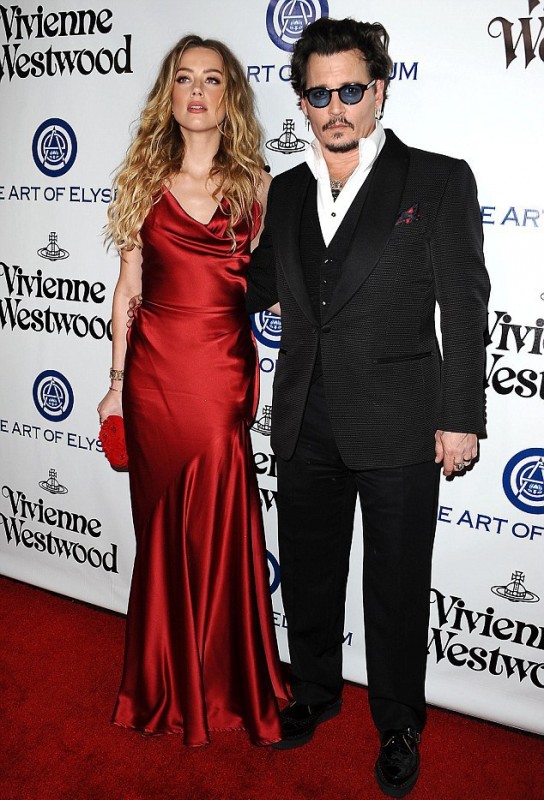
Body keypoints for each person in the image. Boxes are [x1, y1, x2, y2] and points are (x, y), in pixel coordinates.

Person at [246, 16, 490, 797]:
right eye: (320, 94)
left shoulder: (437, 180)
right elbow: (249, 285)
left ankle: (397, 722)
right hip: (304, 419)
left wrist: (461, 416)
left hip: (400, 420)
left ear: (379, 91)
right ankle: (314, 691)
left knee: (396, 585)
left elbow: (464, 307)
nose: (336, 108)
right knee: (309, 575)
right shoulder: (284, 191)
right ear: (303, 103)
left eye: (351, 90)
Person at [97, 34, 287, 748]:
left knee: (220, 522)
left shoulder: (259, 185)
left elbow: (276, 286)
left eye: (212, 79)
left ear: (230, 96)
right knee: (161, 530)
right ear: (169, 95)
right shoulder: (142, 178)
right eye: (184, 78)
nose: (198, 91)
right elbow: (128, 289)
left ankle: (225, 682)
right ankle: (162, 680)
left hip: (221, 371)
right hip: (152, 378)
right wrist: (116, 383)